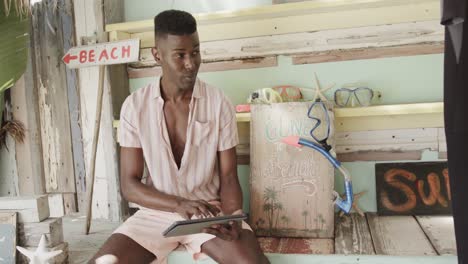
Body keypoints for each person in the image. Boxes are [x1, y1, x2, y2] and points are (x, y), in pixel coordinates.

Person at [90, 9, 269, 264]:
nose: (191, 63)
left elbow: (229, 177)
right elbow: (129, 185)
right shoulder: (135, 106)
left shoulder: (218, 102)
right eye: (180, 55)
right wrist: (177, 204)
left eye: (195, 52)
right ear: (157, 55)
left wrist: (232, 216)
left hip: (207, 212)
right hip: (154, 214)